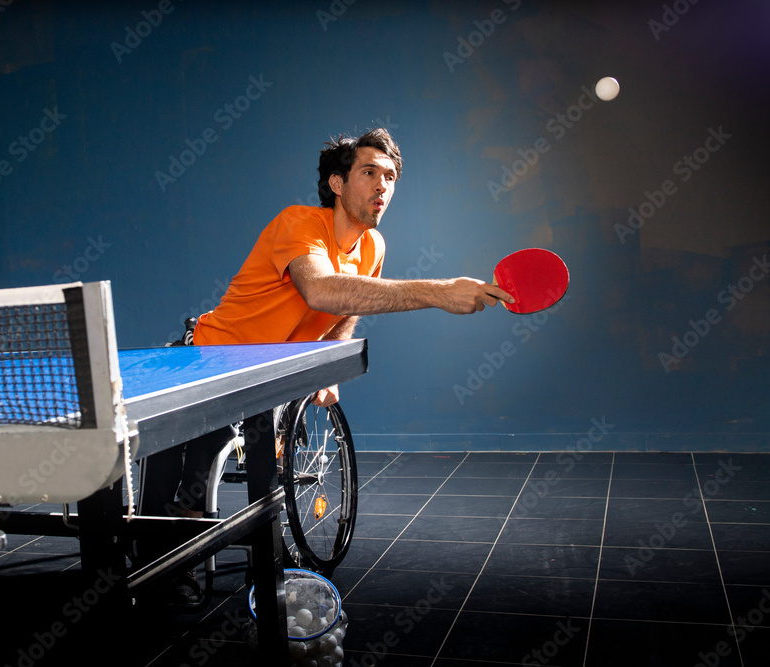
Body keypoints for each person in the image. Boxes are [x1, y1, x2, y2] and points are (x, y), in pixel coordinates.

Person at [137, 127, 513, 602]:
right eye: (369, 172)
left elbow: (347, 308)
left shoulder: (373, 246)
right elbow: (321, 289)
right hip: (204, 364)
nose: (382, 185)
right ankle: (161, 573)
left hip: (265, 377)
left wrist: (329, 371)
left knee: (253, 480)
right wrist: (439, 292)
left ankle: (263, 565)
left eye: (391, 176)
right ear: (338, 183)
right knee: (174, 494)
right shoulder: (299, 223)